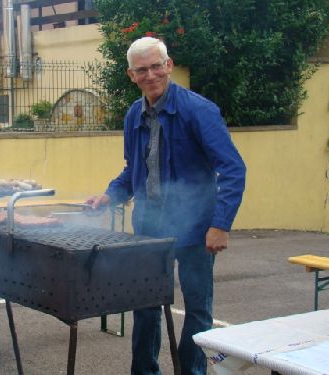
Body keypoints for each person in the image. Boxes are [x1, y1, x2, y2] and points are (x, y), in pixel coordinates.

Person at [86, 37, 246, 375]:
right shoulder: (134, 115)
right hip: (149, 227)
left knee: (197, 310)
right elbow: (135, 170)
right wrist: (110, 195)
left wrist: (220, 224)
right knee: (144, 305)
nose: (151, 75)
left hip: (195, 229)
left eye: (156, 66)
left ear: (169, 65)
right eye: (142, 70)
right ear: (131, 75)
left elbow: (232, 168)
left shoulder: (198, 110)